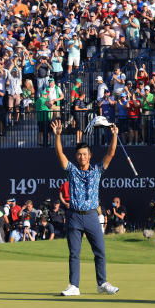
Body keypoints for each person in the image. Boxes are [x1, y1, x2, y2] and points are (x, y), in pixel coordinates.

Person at [50, 119, 120, 296]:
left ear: (90, 156)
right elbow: (60, 155)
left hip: (91, 216)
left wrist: (114, 136)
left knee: (100, 251)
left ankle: (102, 283)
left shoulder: (97, 170)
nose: (82, 156)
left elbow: (111, 154)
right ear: (76, 156)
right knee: (74, 253)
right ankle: (74, 286)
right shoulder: (72, 170)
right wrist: (57, 136)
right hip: (74, 215)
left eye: (85, 154)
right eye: (79, 154)